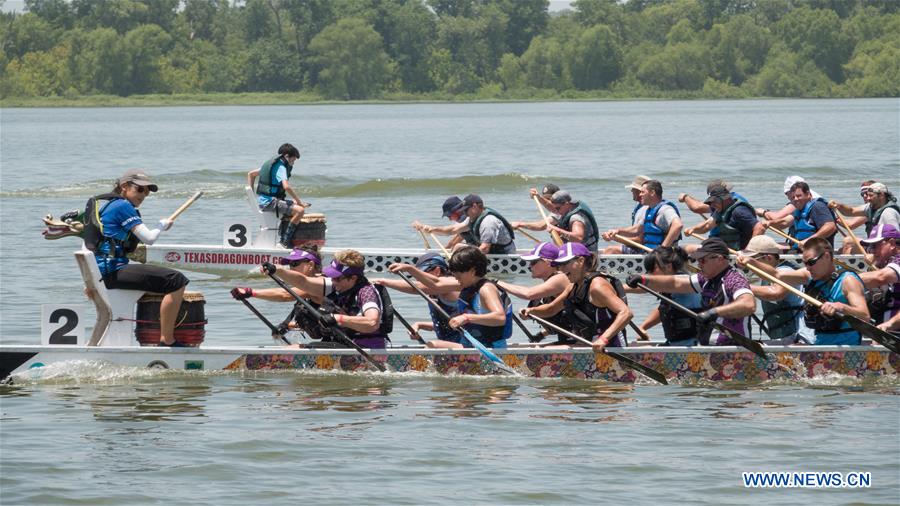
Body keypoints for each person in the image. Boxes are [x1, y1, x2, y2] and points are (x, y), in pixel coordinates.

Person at [85, 169, 189, 347]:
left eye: (147, 191)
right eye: (140, 190)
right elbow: (148, 238)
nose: (144, 195)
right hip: (112, 272)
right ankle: (167, 340)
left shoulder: (108, 205)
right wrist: (160, 225)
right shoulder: (122, 206)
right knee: (176, 280)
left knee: (161, 277)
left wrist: (89, 280)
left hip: (103, 272)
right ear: (124, 186)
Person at [627, 237, 756, 345]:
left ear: (720, 259)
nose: (699, 265)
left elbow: (749, 305)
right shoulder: (704, 279)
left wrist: (714, 312)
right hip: (708, 348)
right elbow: (675, 283)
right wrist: (644, 279)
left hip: (732, 350)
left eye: (703, 260)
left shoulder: (734, 279)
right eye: (698, 260)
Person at [262, 249, 392, 349]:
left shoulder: (366, 292)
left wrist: (338, 318)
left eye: (337, 278)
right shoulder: (336, 285)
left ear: (353, 278)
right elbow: (303, 282)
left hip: (367, 347)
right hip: (343, 344)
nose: (333, 281)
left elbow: (372, 323)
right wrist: (277, 270)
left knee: (296, 349)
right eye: (332, 277)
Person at [522, 242, 633, 351]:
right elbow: (551, 309)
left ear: (580, 261)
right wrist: (531, 311)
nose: (561, 269)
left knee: (546, 351)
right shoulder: (572, 287)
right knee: (543, 349)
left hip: (611, 345)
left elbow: (626, 313)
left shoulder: (597, 286)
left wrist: (603, 339)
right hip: (588, 343)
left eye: (565, 264)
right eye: (559, 265)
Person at [770, 238, 869, 345]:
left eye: (811, 262)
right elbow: (777, 275)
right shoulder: (811, 277)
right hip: (819, 349)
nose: (808, 268)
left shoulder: (848, 280)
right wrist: (751, 262)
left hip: (845, 352)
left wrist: (841, 307)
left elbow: (865, 315)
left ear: (826, 256)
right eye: (805, 263)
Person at [735, 236, 814, 344]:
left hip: (798, 336)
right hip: (784, 336)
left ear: (768, 258)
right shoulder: (768, 274)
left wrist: (741, 287)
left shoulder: (786, 270)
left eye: (754, 260)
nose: (750, 266)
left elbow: (776, 293)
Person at [376, 253, 465, 348]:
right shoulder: (434, 293)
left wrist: (383, 282)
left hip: (471, 346)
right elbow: (448, 324)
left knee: (432, 345)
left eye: (421, 275)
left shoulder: (451, 285)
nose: (419, 280)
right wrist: (420, 325)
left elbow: (417, 288)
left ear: (437, 271)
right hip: (456, 345)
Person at [497, 242, 570, 343]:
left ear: (547, 262)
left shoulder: (560, 278)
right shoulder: (550, 283)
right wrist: (541, 335)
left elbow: (528, 294)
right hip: (568, 338)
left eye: (533, 262)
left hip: (582, 340)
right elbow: (561, 318)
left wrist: (496, 282)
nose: (529, 266)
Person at [444, 246, 513, 349]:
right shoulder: (470, 287)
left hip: (491, 350)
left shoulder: (486, 289)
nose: (455, 277)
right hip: (472, 347)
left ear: (472, 271)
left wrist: (466, 318)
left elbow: (500, 318)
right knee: (433, 345)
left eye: (459, 274)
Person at [635, 246, 703, 346]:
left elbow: (648, 286)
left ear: (669, 267)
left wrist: (620, 287)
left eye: (653, 269)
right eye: (648, 271)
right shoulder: (669, 290)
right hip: (674, 343)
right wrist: (643, 327)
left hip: (692, 348)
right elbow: (665, 309)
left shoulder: (684, 281)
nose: (650, 274)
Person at [247, 143, 305, 248]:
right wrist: (299, 201)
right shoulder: (281, 167)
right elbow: (286, 187)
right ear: (287, 156)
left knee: (296, 205)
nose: (293, 163)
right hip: (270, 202)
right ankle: (284, 242)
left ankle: (286, 240)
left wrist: (251, 195)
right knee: (300, 210)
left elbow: (251, 174)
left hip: (265, 201)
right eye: (293, 160)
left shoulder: (271, 164)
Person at [602, 179, 683, 252]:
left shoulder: (665, 209)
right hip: (648, 252)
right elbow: (637, 229)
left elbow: (678, 225)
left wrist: (663, 248)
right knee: (608, 250)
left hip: (664, 256)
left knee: (611, 251)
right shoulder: (649, 210)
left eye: (642, 192)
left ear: (652, 193)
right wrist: (617, 231)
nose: (640, 195)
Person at [684, 183, 763, 251]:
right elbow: (707, 226)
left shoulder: (739, 211)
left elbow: (759, 228)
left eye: (714, 201)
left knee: (689, 250)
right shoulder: (720, 210)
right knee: (686, 249)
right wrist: (693, 229)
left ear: (725, 199)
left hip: (737, 254)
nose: (712, 205)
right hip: (724, 250)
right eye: (710, 202)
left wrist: (748, 251)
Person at [512, 191, 599, 251]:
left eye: (558, 208)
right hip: (576, 250)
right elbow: (552, 206)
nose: (556, 211)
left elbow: (578, 238)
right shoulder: (570, 206)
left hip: (586, 255)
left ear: (566, 204)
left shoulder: (576, 218)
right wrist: (538, 197)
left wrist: (557, 230)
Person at [765, 181, 837, 251]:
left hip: (818, 253)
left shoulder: (817, 206)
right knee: (769, 249)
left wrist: (808, 241)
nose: (795, 199)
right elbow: (784, 222)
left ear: (808, 194)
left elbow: (830, 227)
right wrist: (770, 223)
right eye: (793, 197)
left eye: (799, 196)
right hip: (802, 250)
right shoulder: (799, 210)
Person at [857, 224, 900, 325]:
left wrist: (842, 279)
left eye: (875, 245)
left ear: (892, 243)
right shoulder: (887, 261)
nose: (872, 251)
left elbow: (881, 277)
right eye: (869, 247)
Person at [830, 182, 900, 243]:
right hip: (875, 245)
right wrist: (839, 206)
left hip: (884, 248)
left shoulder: (889, 213)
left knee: (848, 242)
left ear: (881, 195)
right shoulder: (870, 207)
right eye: (867, 195)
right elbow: (851, 211)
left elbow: (896, 238)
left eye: (871, 195)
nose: (868, 198)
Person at [453, 194, 517, 254]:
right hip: (493, 256)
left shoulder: (488, 222)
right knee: (458, 246)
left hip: (504, 260)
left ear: (474, 207)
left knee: (460, 248)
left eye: (466, 210)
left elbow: (485, 249)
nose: (465, 214)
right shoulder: (473, 218)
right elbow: (453, 229)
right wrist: (442, 231)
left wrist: (464, 255)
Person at [601, 175, 649, 254]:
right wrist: (616, 232)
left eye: (633, 189)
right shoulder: (640, 207)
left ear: (640, 191)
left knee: (611, 250)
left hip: (643, 251)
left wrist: (614, 238)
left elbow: (639, 240)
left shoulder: (646, 209)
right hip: (638, 247)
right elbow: (635, 230)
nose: (631, 191)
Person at [756, 175, 824, 222]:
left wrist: (763, 213)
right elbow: (784, 223)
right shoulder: (811, 196)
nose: (788, 197)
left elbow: (776, 217)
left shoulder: (799, 201)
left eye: (787, 193)